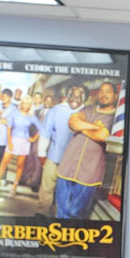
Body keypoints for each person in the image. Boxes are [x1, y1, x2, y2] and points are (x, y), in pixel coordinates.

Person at [54, 81, 117, 219]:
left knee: (76, 213)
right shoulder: (87, 109)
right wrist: (95, 127)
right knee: (61, 211)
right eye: (101, 91)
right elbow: (72, 122)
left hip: (89, 174)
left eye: (108, 92)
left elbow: (103, 136)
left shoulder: (115, 117)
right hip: (67, 167)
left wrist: (82, 127)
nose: (103, 95)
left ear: (115, 95)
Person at [36, 86, 84, 217]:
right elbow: (46, 133)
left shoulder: (86, 113)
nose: (75, 99)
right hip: (54, 157)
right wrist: (41, 153)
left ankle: (59, 217)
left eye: (80, 96)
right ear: (67, 96)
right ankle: (42, 214)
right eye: (72, 95)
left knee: (65, 192)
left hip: (74, 162)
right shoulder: (56, 110)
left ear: (85, 98)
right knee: (47, 188)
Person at [0, 94, 43, 196]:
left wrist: (33, 138)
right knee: (4, 162)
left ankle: (14, 187)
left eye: (28, 104)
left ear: (30, 105)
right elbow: (9, 127)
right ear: (21, 103)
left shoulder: (31, 117)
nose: (25, 105)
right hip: (13, 139)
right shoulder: (15, 113)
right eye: (24, 103)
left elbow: (41, 128)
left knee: (20, 165)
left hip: (24, 142)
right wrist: (10, 142)